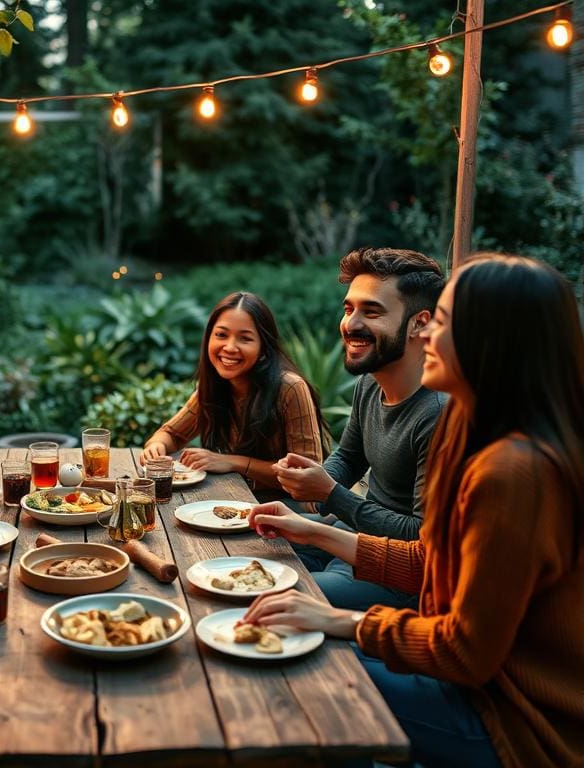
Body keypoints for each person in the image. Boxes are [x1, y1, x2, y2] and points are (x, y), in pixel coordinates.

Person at [243, 254, 584, 768]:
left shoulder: (514, 472)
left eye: (441, 323)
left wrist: (344, 622)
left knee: (309, 671)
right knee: (301, 631)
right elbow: (435, 559)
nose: (423, 336)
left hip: (514, 719)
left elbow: (465, 653)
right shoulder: (472, 433)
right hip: (474, 680)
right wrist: (318, 533)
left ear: (492, 343)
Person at [275, 247, 445, 610]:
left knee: (270, 593)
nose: (350, 324)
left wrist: (332, 493)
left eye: (371, 311)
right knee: (249, 549)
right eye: (349, 308)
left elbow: (419, 536)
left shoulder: (437, 415)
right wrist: (315, 478)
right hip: (351, 536)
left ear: (420, 322)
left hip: (396, 577)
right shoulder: (371, 381)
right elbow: (350, 457)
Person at [141, 291, 328, 501]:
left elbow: (305, 475)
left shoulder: (290, 388)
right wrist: (157, 447)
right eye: (221, 335)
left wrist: (232, 461)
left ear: (264, 347)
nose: (229, 347)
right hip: (235, 499)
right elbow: (172, 434)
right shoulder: (214, 385)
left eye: (245, 338)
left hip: (292, 511)